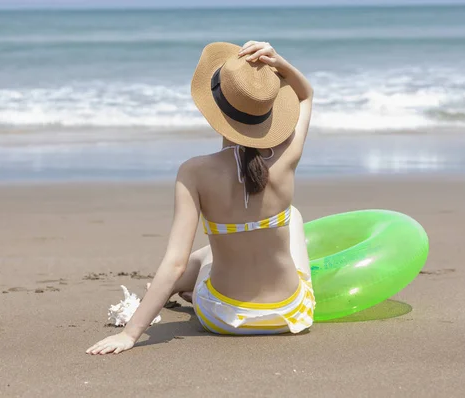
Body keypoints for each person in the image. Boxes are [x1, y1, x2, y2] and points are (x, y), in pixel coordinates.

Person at [87, 41, 314, 355]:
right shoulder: (287, 157)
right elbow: (306, 95)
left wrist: (130, 334)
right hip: (289, 315)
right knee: (294, 217)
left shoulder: (194, 172)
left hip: (222, 318)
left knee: (208, 253)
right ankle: (193, 288)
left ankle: (176, 292)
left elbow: (176, 262)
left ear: (215, 109)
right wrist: (280, 63)